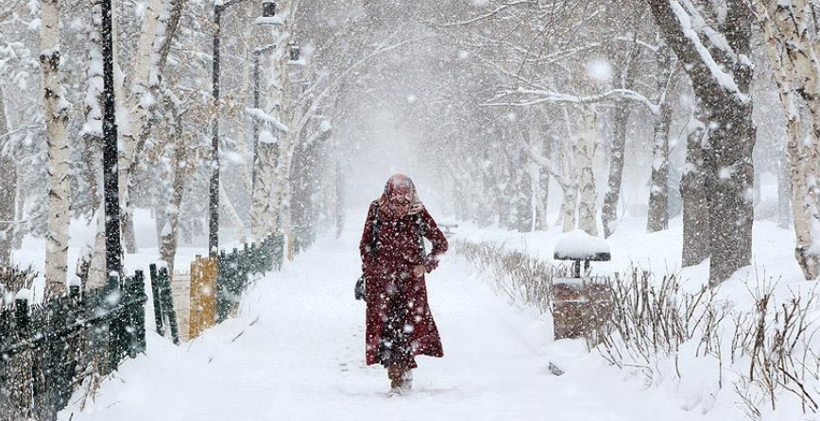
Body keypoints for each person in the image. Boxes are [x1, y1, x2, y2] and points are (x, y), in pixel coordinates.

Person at [359, 174, 449, 395]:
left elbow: (441, 244)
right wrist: (372, 269)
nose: (401, 207)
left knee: (404, 331)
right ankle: (396, 375)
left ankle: (400, 378)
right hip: (382, 285)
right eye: (397, 201)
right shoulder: (376, 210)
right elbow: (365, 244)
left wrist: (425, 266)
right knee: (386, 332)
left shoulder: (418, 212)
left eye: (405, 202)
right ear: (389, 195)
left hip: (411, 286)